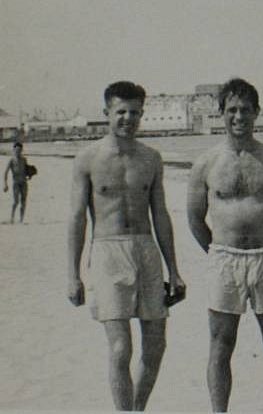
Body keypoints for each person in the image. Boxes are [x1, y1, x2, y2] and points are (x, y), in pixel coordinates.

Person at [66, 81, 186, 411]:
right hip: (107, 252)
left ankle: (136, 408)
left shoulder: (151, 158)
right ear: (107, 112)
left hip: (146, 251)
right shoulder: (87, 159)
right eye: (121, 112)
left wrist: (174, 269)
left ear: (142, 114)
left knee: (156, 347)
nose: (127, 119)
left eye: (135, 112)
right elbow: (77, 218)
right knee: (120, 349)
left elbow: (160, 214)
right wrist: (72, 275)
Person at [187, 78, 263, 413]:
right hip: (224, 260)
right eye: (232, 109)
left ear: (257, 113)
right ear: (221, 113)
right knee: (221, 345)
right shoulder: (206, 163)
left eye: (246, 110)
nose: (239, 116)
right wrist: (221, 250)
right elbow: (195, 219)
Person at [3, 141, 33, 223]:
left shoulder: (24, 159)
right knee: (16, 202)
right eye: (16, 150)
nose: (18, 152)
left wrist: (30, 175)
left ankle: (21, 219)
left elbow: (26, 171)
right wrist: (5, 184)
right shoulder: (11, 160)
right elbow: (5, 172)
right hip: (16, 183)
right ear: (13, 150)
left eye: (19, 150)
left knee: (23, 201)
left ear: (22, 150)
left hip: (24, 183)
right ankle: (12, 218)